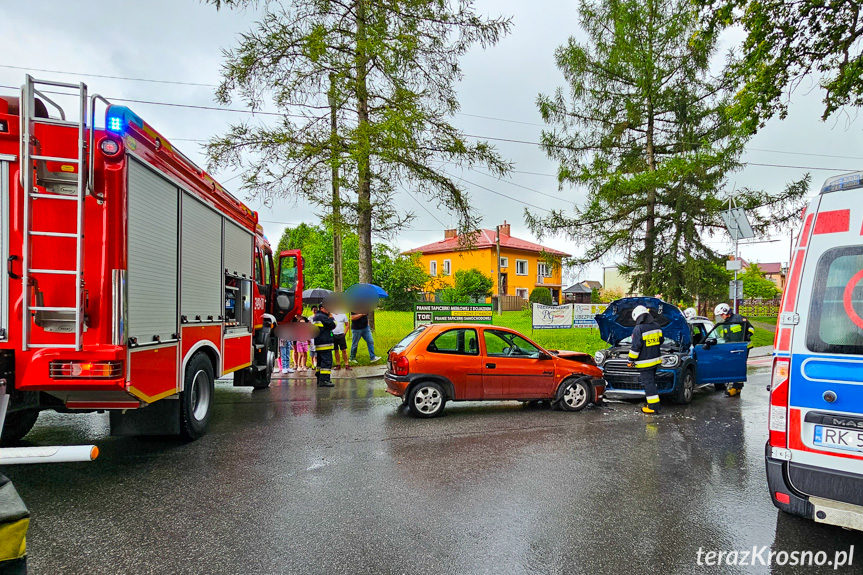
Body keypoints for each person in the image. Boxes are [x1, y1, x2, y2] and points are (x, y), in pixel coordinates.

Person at [628, 305, 664, 414]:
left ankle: (653, 407)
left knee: (648, 384)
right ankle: (653, 404)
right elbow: (661, 340)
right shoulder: (657, 326)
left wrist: (630, 360)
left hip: (645, 363)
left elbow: (636, 347)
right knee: (652, 382)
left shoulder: (638, 328)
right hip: (655, 360)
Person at [714, 302, 755, 397]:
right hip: (733, 347)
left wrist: (748, 335)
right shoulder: (725, 323)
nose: (721, 316)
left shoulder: (739, 318)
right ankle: (737, 388)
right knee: (735, 367)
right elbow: (726, 337)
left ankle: (736, 387)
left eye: (722, 314)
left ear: (725, 311)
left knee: (739, 367)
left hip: (742, 347)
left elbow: (751, 328)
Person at [312, 302, 337, 387]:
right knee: (326, 362)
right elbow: (333, 325)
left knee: (320, 362)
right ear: (322, 308)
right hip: (325, 343)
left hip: (320, 343)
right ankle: (325, 380)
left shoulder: (317, 316)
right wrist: (332, 317)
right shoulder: (322, 316)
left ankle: (319, 378)